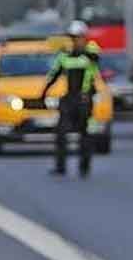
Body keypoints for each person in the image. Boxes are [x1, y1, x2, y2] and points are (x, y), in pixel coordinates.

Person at [40, 20, 100, 177]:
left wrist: (83, 50)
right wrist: (43, 94)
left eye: (78, 37)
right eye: (73, 38)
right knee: (61, 133)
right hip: (69, 98)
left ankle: (84, 167)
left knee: (85, 135)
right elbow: (53, 76)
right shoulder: (64, 56)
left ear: (84, 38)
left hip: (85, 99)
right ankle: (60, 167)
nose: (76, 41)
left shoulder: (91, 52)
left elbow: (95, 56)